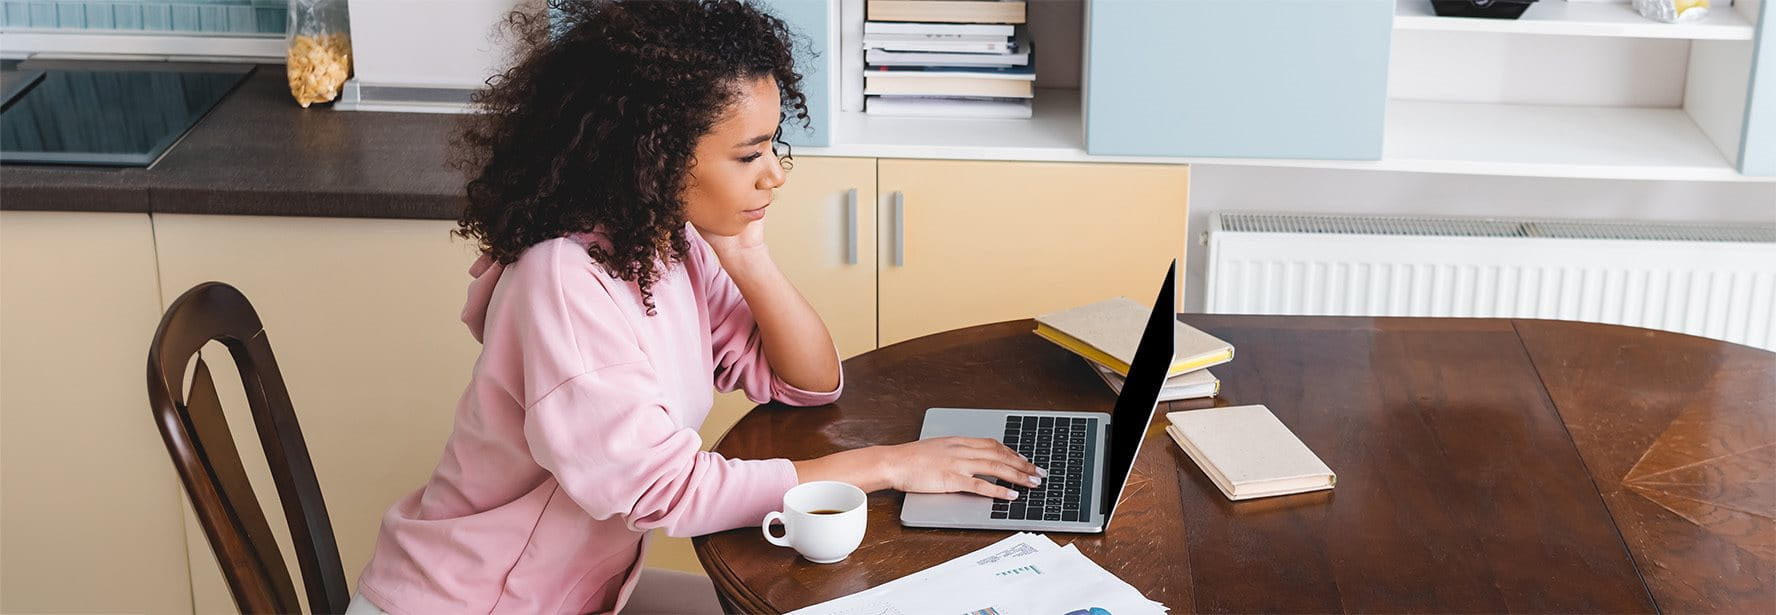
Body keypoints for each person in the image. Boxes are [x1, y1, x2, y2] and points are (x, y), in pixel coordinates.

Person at [346, 2, 1043, 613]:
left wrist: (748, 255)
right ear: (655, 156)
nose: (775, 173)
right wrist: (891, 463)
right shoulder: (562, 279)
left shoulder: (662, 242)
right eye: (749, 155)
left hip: (573, 594)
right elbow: (665, 488)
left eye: (774, 145)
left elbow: (806, 382)